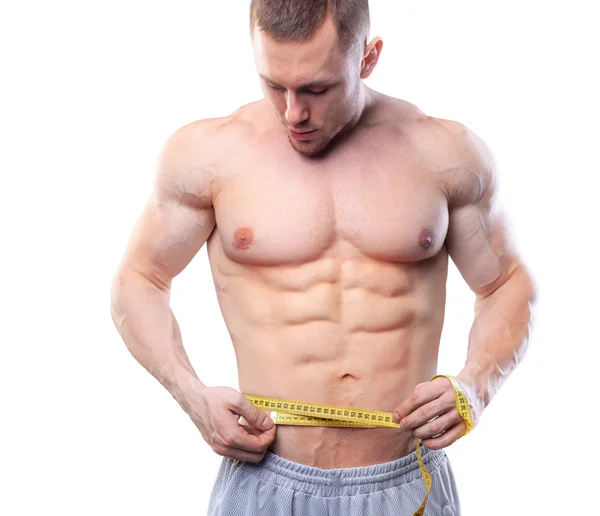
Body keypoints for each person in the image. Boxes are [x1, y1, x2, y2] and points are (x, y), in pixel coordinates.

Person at [110, 0, 536, 514]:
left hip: (404, 481)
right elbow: (140, 278)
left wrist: (475, 386)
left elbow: (507, 283)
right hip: (264, 479)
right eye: (274, 85)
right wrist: (192, 395)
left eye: (317, 88)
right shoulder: (209, 155)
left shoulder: (444, 153)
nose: (294, 112)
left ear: (368, 58)